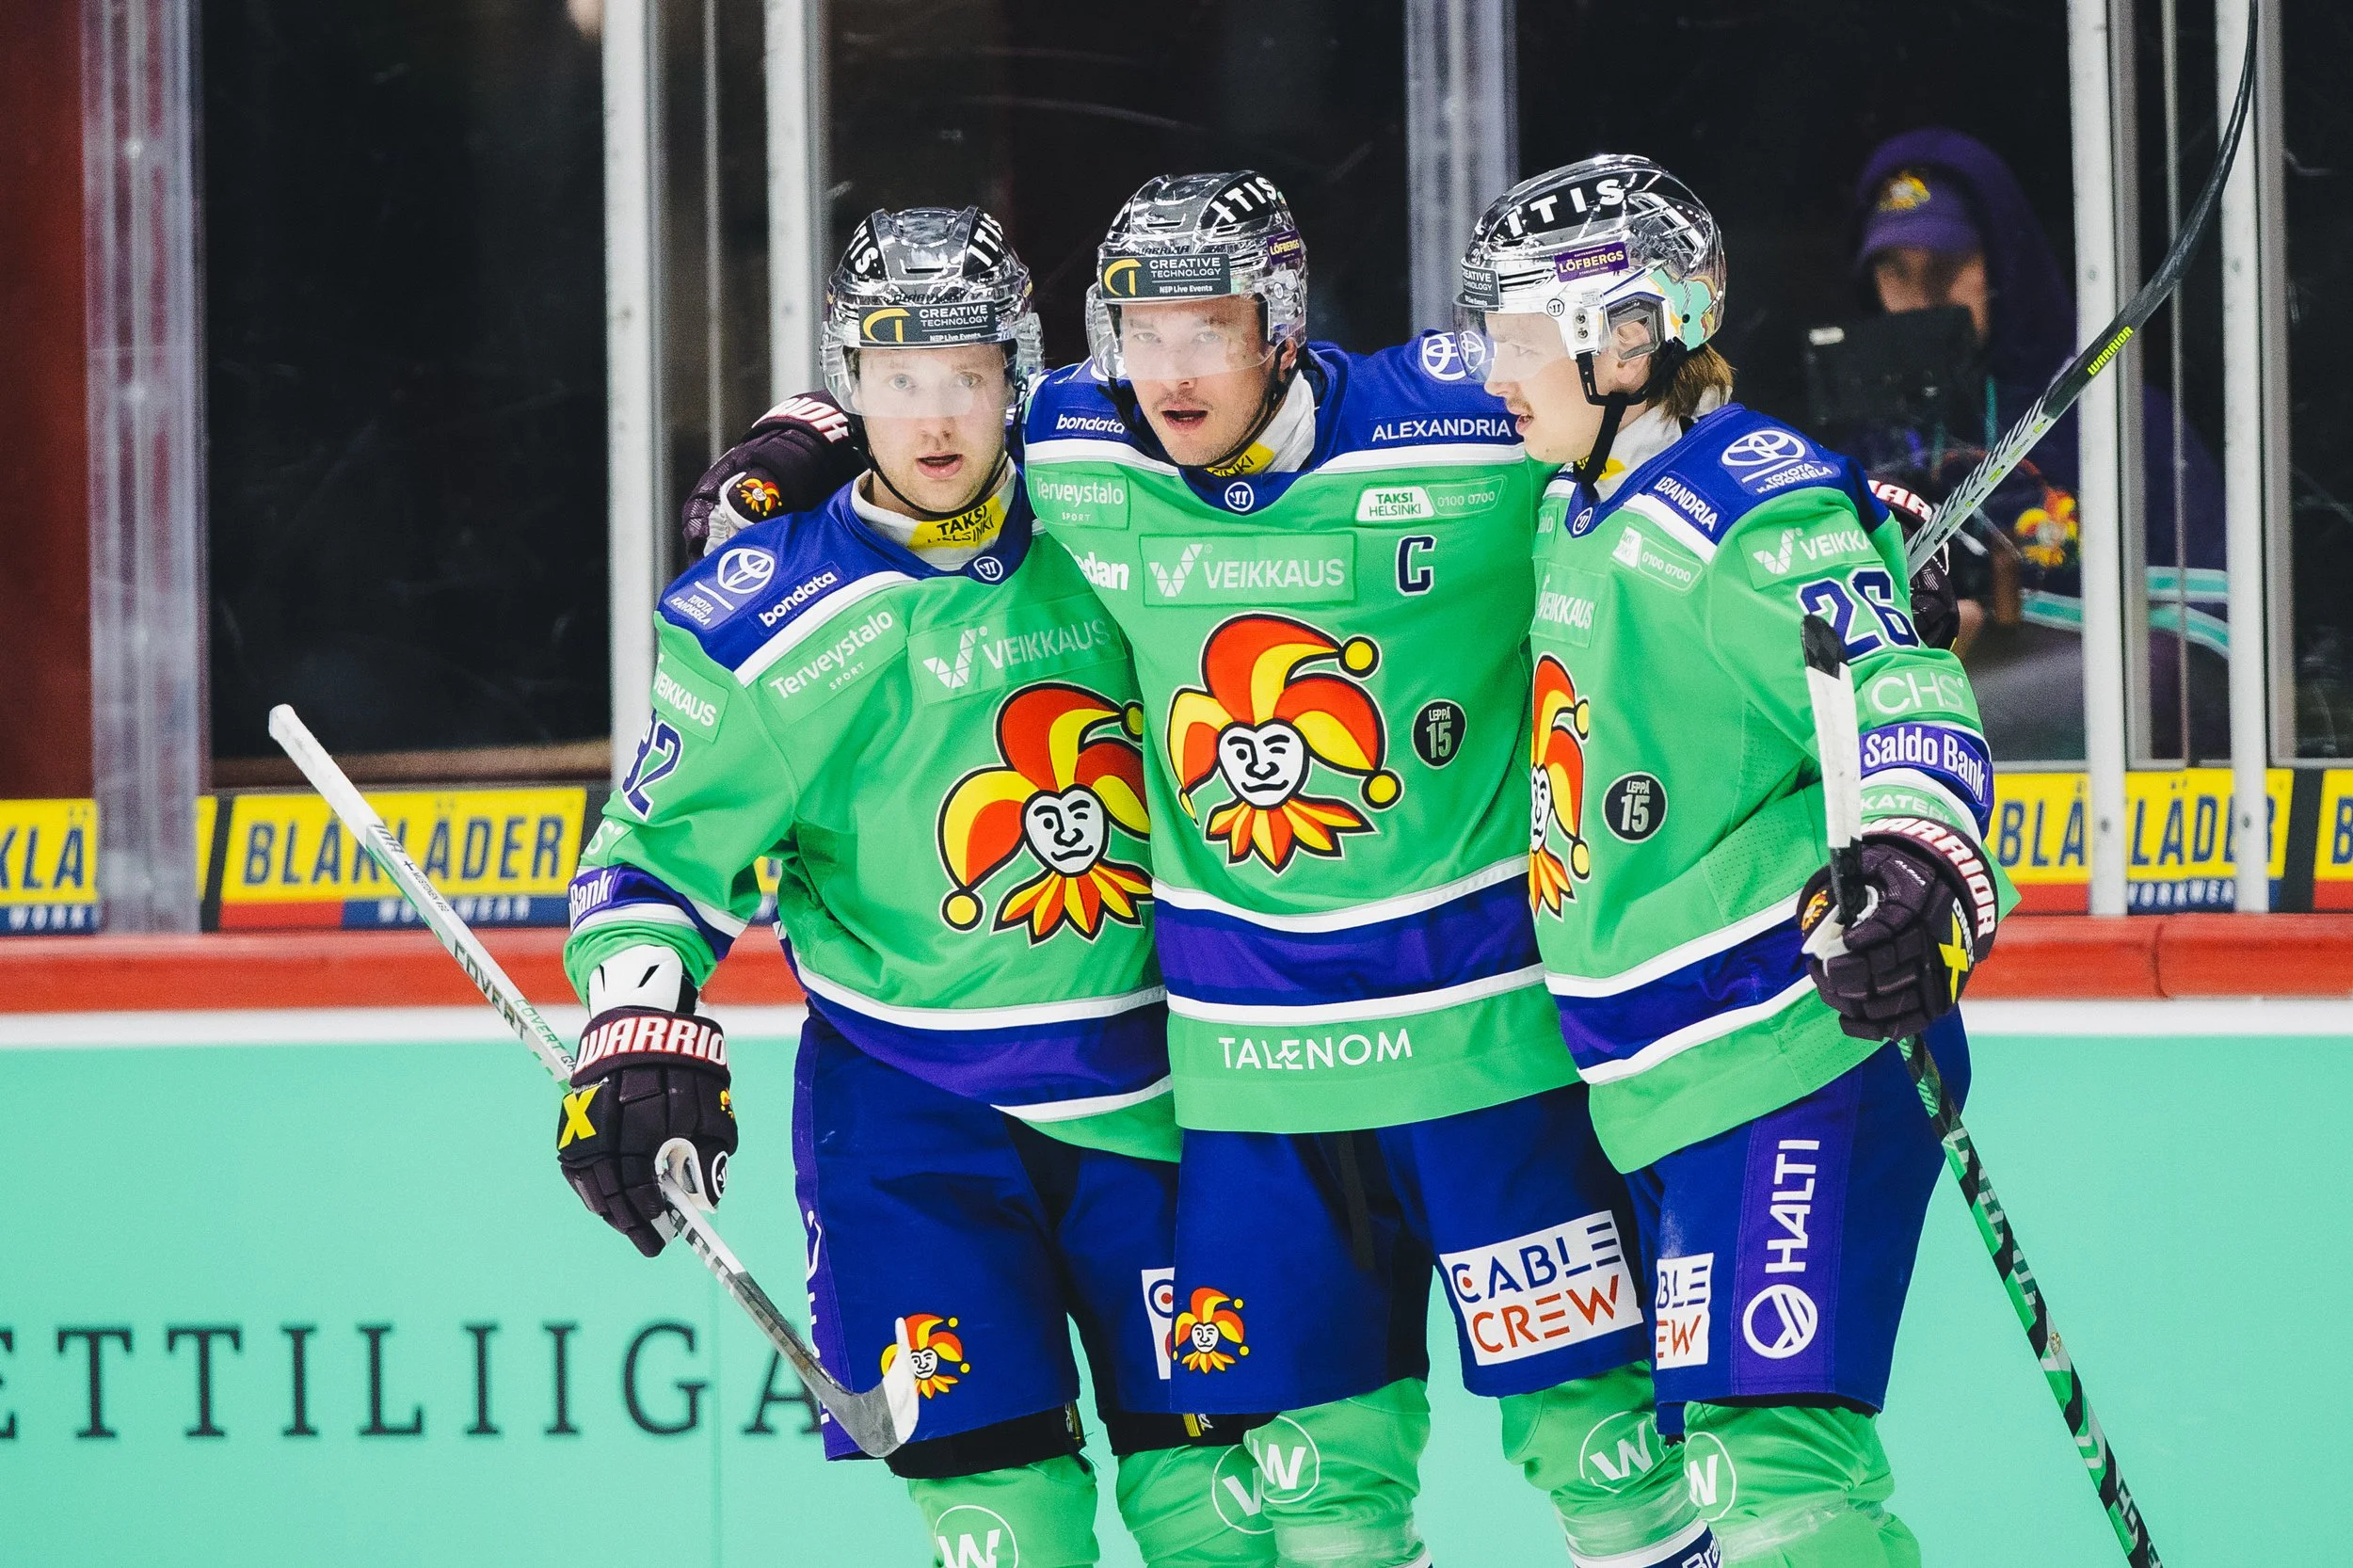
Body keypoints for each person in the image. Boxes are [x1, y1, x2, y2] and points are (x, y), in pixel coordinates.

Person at [556, 206, 1269, 1568]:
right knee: (1006, 1524)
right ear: (849, 383)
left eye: (967, 375)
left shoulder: (1122, 513)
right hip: (911, 1115)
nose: (935, 417)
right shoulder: (765, 613)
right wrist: (635, 1017)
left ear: (1022, 378)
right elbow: (652, 857)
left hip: (1162, 1093)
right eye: (897, 378)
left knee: (1220, 1511)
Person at [1028, 172, 1712, 1568]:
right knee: (1319, 1492)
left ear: (1281, 323)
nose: (1170, 373)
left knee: (1604, 1449)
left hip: (1487, 1055)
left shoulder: (1461, 413)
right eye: (1141, 335)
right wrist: (788, 451)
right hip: (1254, 1086)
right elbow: (926, 414)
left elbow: (1652, 421)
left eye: (1208, 331)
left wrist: (1840, 502)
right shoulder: (1074, 443)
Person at [1459, 153, 2015, 1566]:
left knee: (1776, 1471)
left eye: (1518, 338)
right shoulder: (1576, 496)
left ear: (1628, 340)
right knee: (1714, 1473)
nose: (1492, 371)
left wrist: (1923, 853)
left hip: (1789, 1039)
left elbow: (1895, 682)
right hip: (1660, 1075)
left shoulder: (1737, 511)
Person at [1848, 129, 2229, 762]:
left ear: (2003, 265)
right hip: (1925, 786)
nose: (1919, 301)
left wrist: (2005, 636)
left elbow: (2206, 653)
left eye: (1945, 269)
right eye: (1895, 272)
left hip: (2106, 785)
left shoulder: (2109, 415)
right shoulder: (1861, 445)